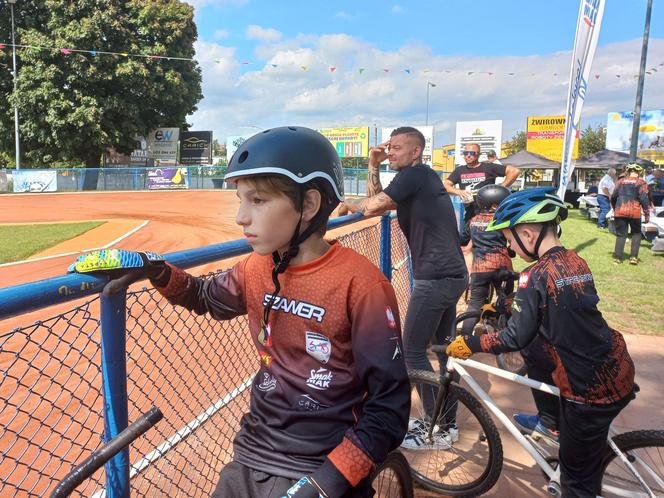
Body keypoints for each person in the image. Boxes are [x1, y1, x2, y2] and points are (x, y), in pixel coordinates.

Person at [70, 127, 411, 498]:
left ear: (310, 205)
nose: (241, 217)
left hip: (322, 465)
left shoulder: (361, 284)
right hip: (251, 456)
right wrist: (157, 269)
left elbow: (388, 407)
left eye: (258, 200)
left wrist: (328, 481)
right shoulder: (256, 267)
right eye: (240, 200)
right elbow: (205, 297)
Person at [446, 188, 636, 498]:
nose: (509, 247)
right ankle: (551, 421)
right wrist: (506, 306)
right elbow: (555, 301)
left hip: (590, 391)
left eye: (509, 240)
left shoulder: (534, 275)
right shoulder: (574, 261)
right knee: (536, 350)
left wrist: (472, 343)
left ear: (528, 233)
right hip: (614, 363)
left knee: (576, 484)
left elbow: (513, 337)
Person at [338, 126, 468, 449]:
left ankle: (434, 425)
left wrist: (344, 203)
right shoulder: (420, 179)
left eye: (397, 148)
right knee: (442, 352)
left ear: (415, 153)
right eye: (390, 147)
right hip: (451, 274)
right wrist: (373, 163)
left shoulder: (415, 175)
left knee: (411, 354)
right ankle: (447, 425)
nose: (390, 152)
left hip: (436, 278)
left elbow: (371, 206)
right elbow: (379, 200)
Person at [458, 184, 514, 336]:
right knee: (506, 300)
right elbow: (514, 243)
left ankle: (465, 336)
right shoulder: (503, 221)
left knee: (475, 304)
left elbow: (462, 240)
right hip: (501, 267)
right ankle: (503, 335)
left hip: (480, 268)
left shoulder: (473, 220)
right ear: (495, 205)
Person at [444, 143, 521, 223]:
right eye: (466, 153)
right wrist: (459, 192)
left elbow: (514, 171)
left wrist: (501, 187)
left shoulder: (488, 167)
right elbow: (446, 185)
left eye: (472, 153)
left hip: (489, 215)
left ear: (478, 155)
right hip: (470, 216)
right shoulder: (459, 170)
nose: (468, 155)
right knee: (464, 234)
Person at [611, 163, 651, 265]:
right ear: (639, 172)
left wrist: (614, 207)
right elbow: (644, 199)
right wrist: (647, 214)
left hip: (620, 211)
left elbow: (613, 196)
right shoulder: (642, 183)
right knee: (636, 233)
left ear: (628, 172)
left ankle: (618, 258)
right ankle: (633, 257)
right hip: (634, 212)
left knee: (621, 235)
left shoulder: (620, 182)